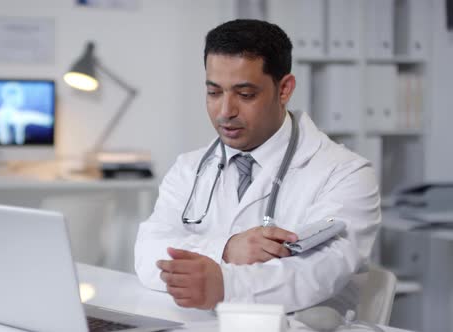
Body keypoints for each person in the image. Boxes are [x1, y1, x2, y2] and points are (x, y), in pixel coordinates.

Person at [134, 19, 381, 313]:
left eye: (245, 94)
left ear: (285, 89)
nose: (225, 111)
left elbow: (319, 272)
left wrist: (226, 285)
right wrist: (226, 249)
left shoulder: (345, 174)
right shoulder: (190, 167)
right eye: (214, 92)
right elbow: (147, 252)